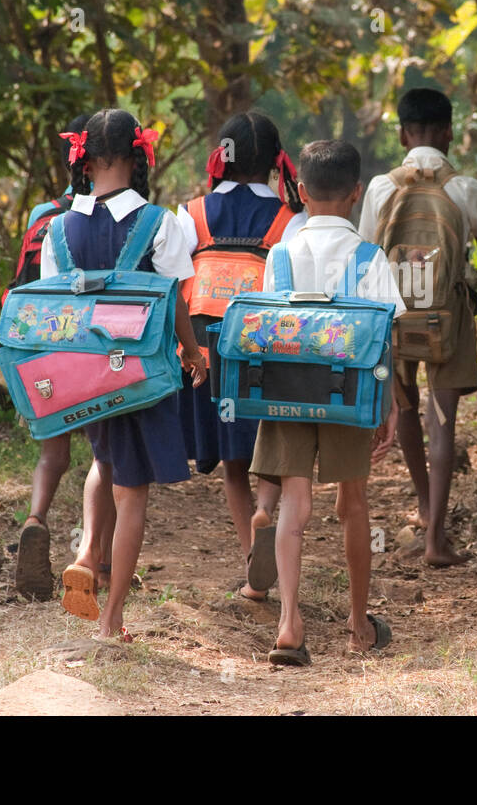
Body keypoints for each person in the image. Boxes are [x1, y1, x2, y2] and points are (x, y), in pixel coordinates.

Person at [48, 108, 207, 641]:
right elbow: (178, 302)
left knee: (103, 459)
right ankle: (112, 618)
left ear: (84, 158)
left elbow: (53, 308)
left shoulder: (58, 228)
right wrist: (194, 354)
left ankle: (90, 552)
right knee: (132, 492)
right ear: (137, 157)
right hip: (141, 376)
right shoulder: (158, 223)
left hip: (86, 373)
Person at [251, 140, 405, 665]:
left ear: (300, 192)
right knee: (353, 505)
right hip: (350, 394)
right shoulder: (369, 256)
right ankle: (359, 623)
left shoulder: (280, 254)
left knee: (295, 507)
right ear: (357, 193)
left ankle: (288, 621)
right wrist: (391, 404)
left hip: (287, 391)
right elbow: (387, 338)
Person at [358, 88, 477, 567]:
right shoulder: (464, 187)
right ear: (449, 131)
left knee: (406, 410)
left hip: (394, 316)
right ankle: (436, 540)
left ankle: (424, 506)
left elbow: (367, 253)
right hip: (448, 316)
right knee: (443, 418)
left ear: (402, 133)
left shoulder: (379, 187)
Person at [177, 112, 304, 601]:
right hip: (264, 348)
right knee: (270, 441)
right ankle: (267, 509)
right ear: (277, 161)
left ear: (221, 157)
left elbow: (171, 276)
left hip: (207, 349)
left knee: (232, 461)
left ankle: (252, 557)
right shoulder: (290, 221)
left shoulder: (191, 214)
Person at [12, 114, 115, 601]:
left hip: (42, 348)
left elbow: (21, 287)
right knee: (106, 456)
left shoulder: (42, 216)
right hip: (95, 353)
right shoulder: (108, 218)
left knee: (53, 453)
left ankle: (35, 519)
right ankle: (99, 558)